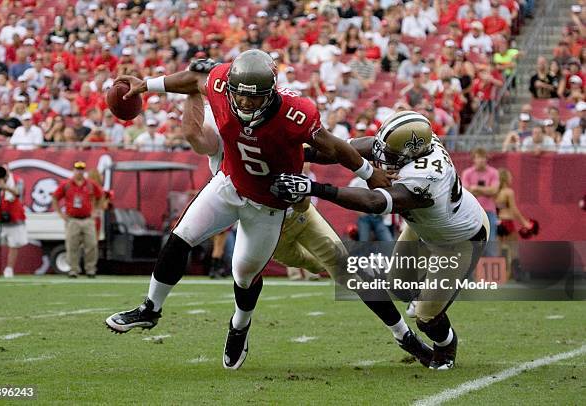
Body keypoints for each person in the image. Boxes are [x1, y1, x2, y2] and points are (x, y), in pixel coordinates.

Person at [105, 50, 414, 371]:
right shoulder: (222, 84)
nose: (247, 104)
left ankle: (239, 324)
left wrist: (367, 172)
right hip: (229, 184)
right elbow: (196, 80)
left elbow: (333, 145)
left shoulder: (296, 114)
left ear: (271, 93)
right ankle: (150, 309)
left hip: (269, 206)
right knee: (181, 236)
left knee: (244, 274)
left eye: (255, 99)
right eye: (241, 96)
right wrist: (148, 85)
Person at [180, 91, 433, 366]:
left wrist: (305, 190)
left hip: (300, 217)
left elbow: (328, 156)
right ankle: (239, 326)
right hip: (266, 231)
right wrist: (189, 90)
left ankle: (403, 335)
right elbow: (197, 137)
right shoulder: (228, 139)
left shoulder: (278, 128)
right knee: (272, 271)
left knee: (347, 271)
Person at [272, 111, 490, 370]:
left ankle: (446, 348)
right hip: (425, 229)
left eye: (389, 153)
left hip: (460, 240)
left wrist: (313, 187)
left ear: (411, 151)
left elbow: (375, 202)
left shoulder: (427, 177)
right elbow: (345, 150)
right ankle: (424, 293)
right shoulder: (411, 145)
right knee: (398, 286)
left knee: (427, 319)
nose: (382, 156)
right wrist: (298, 152)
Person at [52, 161, 103, 278]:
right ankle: (73, 269)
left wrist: (96, 211)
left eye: (81, 169)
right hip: (72, 219)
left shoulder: (90, 184)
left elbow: (100, 196)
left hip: (87, 219)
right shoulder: (67, 184)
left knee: (92, 244)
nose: (79, 171)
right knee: (72, 245)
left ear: (84, 171)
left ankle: (90, 269)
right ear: (73, 170)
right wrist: (60, 214)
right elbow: (55, 198)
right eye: (77, 169)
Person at [495, 168, 534, 279]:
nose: (512, 178)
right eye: (510, 176)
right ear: (506, 178)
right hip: (507, 222)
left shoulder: (495, 192)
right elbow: (514, 209)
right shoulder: (509, 192)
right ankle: (517, 274)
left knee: (498, 248)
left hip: (498, 223)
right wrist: (525, 222)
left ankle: (498, 274)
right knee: (514, 249)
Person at [461, 148, 499, 256]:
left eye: (483, 158)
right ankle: (472, 271)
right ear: (474, 159)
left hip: (489, 212)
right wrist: (486, 190)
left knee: (490, 241)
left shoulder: (494, 172)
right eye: (478, 157)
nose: (481, 160)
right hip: (471, 213)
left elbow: (494, 190)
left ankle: (491, 271)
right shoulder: (467, 173)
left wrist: (475, 188)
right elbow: (465, 192)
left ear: (486, 159)